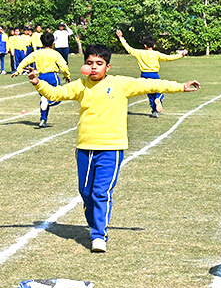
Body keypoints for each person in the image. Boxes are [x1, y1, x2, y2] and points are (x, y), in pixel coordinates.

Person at [21, 44, 200, 252]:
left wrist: (181, 86)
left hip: (111, 149)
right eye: (89, 63)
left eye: (99, 64)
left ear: (108, 66)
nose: (94, 67)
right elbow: (54, 94)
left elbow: (150, 85)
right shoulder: (81, 86)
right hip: (85, 149)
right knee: (86, 192)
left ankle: (99, 235)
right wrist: (37, 82)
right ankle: (94, 222)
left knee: (100, 192)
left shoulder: (120, 84)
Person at [116, 29, 188, 118]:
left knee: (150, 93)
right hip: (154, 74)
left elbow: (129, 48)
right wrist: (180, 55)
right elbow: (168, 58)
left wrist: (121, 38)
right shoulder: (156, 54)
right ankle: (158, 98)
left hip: (144, 75)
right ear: (154, 45)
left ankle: (154, 111)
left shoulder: (140, 53)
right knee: (160, 89)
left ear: (145, 45)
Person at [11, 32, 71, 127]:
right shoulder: (55, 53)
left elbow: (25, 61)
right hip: (52, 77)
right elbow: (63, 65)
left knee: (45, 97)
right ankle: (49, 102)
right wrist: (67, 75)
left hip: (41, 78)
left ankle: (43, 120)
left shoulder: (37, 53)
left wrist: (18, 71)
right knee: (57, 96)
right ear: (53, 43)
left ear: (42, 42)